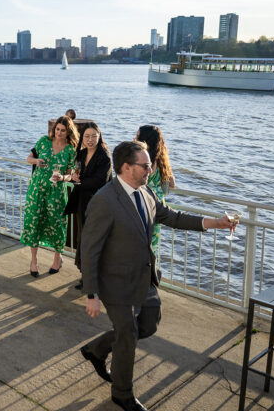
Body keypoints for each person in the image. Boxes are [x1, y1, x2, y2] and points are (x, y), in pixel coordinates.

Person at [80, 141, 231, 411]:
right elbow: (90, 250)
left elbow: (172, 216)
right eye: (146, 165)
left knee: (148, 325)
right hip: (114, 283)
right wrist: (91, 293)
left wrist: (213, 223)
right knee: (127, 333)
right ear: (126, 167)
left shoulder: (146, 192)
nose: (151, 169)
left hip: (144, 278)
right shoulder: (104, 200)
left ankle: (98, 349)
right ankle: (122, 393)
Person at [21, 115, 78, 276]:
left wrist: (62, 178)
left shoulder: (70, 150)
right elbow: (28, 158)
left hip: (57, 192)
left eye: (63, 130)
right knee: (34, 221)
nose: (59, 132)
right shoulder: (44, 141)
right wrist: (36, 161)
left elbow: (70, 174)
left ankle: (57, 258)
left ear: (68, 132)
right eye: (57, 129)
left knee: (57, 224)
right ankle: (34, 261)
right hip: (36, 190)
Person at [66, 122, 112, 289]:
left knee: (94, 240)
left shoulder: (104, 156)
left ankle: (94, 278)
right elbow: (75, 173)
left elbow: (100, 181)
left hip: (98, 204)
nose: (90, 139)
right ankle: (86, 275)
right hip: (82, 202)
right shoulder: (81, 153)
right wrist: (72, 177)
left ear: (99, 137)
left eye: (94, 136)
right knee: (83, 238)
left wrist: (80, 181)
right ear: (82, 138)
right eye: (87, 136)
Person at [135, 125, 176, 253]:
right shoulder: (161, 161)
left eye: (137, 135)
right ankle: (150, 268)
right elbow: (172, 184)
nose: (134, 138)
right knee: (152, 243)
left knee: (137, 240)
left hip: (142, 203)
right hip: (158, 206)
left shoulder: (140, 159)